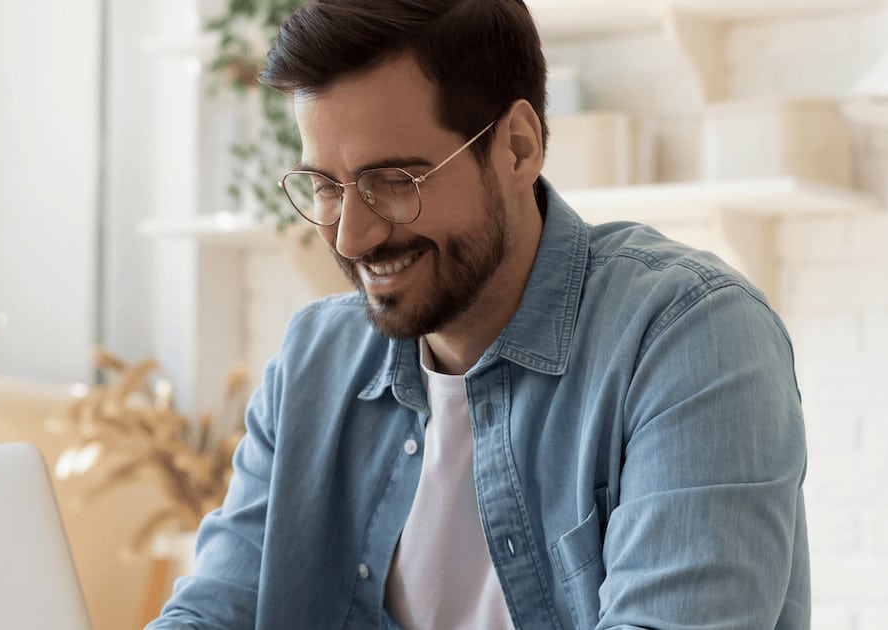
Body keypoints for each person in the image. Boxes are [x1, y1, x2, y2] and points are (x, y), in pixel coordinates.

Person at [149, 1, 809, 628]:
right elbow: (214, 608)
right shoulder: (314, 360)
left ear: (517, 148)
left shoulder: (691, 338)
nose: (350, 239)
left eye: (393, 183)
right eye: (326, 187)